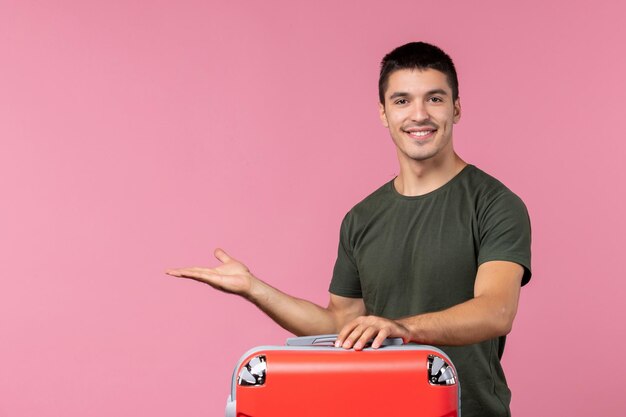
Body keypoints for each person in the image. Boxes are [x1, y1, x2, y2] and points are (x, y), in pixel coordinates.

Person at [166, 42, 531, 417]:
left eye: (434, 99)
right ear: (383, 113)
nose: (419, 115)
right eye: (402, 101)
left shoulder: (495, 204)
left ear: (455, 108)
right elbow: (340, 322)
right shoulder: (361, 218)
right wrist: (254, 288)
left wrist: (400, 328)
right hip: (379, 407)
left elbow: (496, 310)